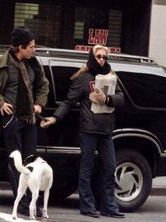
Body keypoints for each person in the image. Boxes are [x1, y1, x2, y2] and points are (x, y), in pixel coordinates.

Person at [41, 44, 125, 218]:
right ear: (93, 58)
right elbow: (69, 102)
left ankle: (108, 205)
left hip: (106, 129)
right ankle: (87, 205)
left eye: (105, 57)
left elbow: (121, 98)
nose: (102, 60)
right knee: (86, 168)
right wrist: (55, 118)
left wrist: (107, 98)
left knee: (110, 167)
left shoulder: (111, 75)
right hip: (88, 128)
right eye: (99, 56)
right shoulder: (83, 78)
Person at [0, 26, 49, 216]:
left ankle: (31, 202)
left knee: (31, 162)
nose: (34, 50)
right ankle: (22, 203)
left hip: (30, 120)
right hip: (10, 119)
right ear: (20, 47)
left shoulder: (34, 64)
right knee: (16, 162)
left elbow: (43, 85)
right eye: (31, 46)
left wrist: (39, 104)